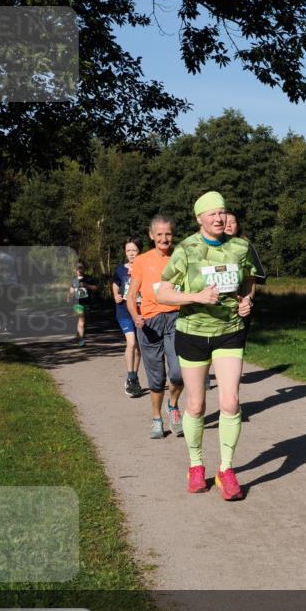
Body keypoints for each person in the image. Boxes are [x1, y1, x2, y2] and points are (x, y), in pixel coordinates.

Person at [158, 191, 255, 501]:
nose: (219, 217)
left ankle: (226, 470)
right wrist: (196, 297)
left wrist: (248, 300)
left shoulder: (240, 247)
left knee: (230, 402)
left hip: (229, 331)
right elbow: (163, 293)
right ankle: (196, 465)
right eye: (212, 213)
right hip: (193, 332)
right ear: (199, 218)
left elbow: (250, 280)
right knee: (197, 405)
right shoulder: (186, 250)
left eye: (222, 212)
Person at [126, 216, 184, 440]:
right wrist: (136, 316)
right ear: (151, 236)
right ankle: (156, 419)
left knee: (179, 373)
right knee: (156, 377)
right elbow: (131, 295)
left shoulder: (180, 257)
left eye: (167, 234)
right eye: (159, 234)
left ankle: (173, 406)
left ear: (173, 235)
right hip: (149, 322)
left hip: (176, 317)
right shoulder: (141, 260)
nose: (164, 238)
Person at [112, 237, 144, 397]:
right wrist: (116, 295)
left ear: (140, 251)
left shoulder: (145, 268)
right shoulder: (120, 270)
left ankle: (134, 377)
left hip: (140, 311)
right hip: (124, 311)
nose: (131, 254)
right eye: (128, 251)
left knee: (137, 346)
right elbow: (116, 284)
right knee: (131, 342)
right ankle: (131, 377)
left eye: (134, 250)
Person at [68, 262, 97, 346]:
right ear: (74, 270)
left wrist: (86, 285)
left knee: (85, 322)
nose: (79, 270)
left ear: (84, 269)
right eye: (77, 268)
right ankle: (81, 340)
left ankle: (80, 335)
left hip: (87, 303)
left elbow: (95, 288)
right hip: (77, 303)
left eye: (81, 268)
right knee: (82, 321)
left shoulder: (88, 278)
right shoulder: (74, 280)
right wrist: (69, 296)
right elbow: (71, 291)